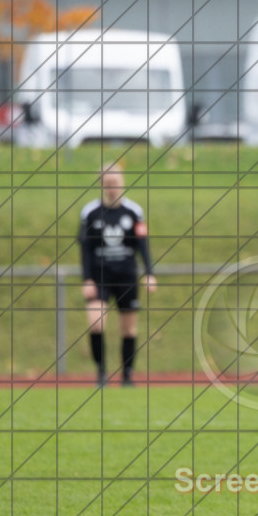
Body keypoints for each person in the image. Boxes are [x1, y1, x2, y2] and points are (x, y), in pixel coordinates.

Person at [79, 165, 156, 387]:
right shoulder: (90, 213)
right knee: (96, 323)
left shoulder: (133, 212)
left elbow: (143, 245)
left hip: (127, 277)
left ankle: (127, 375)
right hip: (100, 277)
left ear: (122, 182)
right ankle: (102, 372)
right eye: (108, 183)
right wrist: (87, 279)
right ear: (102, 184)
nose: (112, 188)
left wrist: (149, 273)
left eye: (116, 183)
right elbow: (85, 249)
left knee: (129, 328)